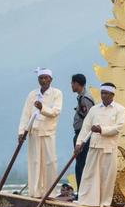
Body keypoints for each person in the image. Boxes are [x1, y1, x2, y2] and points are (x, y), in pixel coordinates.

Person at [76, 82, 125, 207]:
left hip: (109, 149)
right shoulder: (94, 110)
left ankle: (104, 204)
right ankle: (86, 202)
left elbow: (118, 128)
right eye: (102, 93)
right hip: (94, 147)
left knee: (106, 178)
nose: (104, 96)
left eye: (106, 93)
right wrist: (79, 143)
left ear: (112, 95)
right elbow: (86, 127)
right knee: (89, 176)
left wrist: (102, 130)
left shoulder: (120, 109)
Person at [17, 68, 64, 197]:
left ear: (51, 79)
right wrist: (21, 131)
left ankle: (50, 193)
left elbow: (55, 111)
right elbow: (25, 114)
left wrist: (42, 108)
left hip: (48, 132)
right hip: (34, 132)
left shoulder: (57, 93)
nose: (43, 80)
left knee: (50, 163)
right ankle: (35, 193)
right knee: (34, 163)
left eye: (45, 78)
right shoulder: (32, 94)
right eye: (41, 78)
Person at [70, 73, 95, 187]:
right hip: (79, 133)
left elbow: (89, 118)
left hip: (83, 135)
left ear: (77, 84)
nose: (71, 85)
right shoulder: (81, 97)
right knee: (79, 163)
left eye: (73, 83)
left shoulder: (85, 98)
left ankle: (83, 190)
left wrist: (83, 139)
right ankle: (81, 190)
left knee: (82, 164)